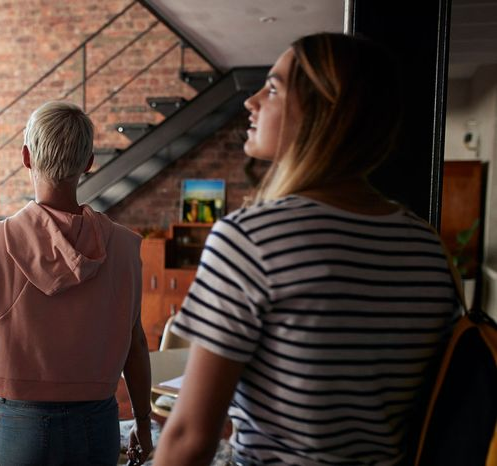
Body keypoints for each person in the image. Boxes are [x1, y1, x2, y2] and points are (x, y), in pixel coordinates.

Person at [154, 33, 459, 465]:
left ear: (325, 113)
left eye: (274, 88)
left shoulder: (249, 239)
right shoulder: (426, 246)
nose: (251, 101)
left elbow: (188, 438)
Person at [0, 101, 153, 465]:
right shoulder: (125, 246)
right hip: (98, 423)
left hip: (22, 423)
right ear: (89, 162)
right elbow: (135, 344)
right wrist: (142, 420)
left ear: (27, 157)